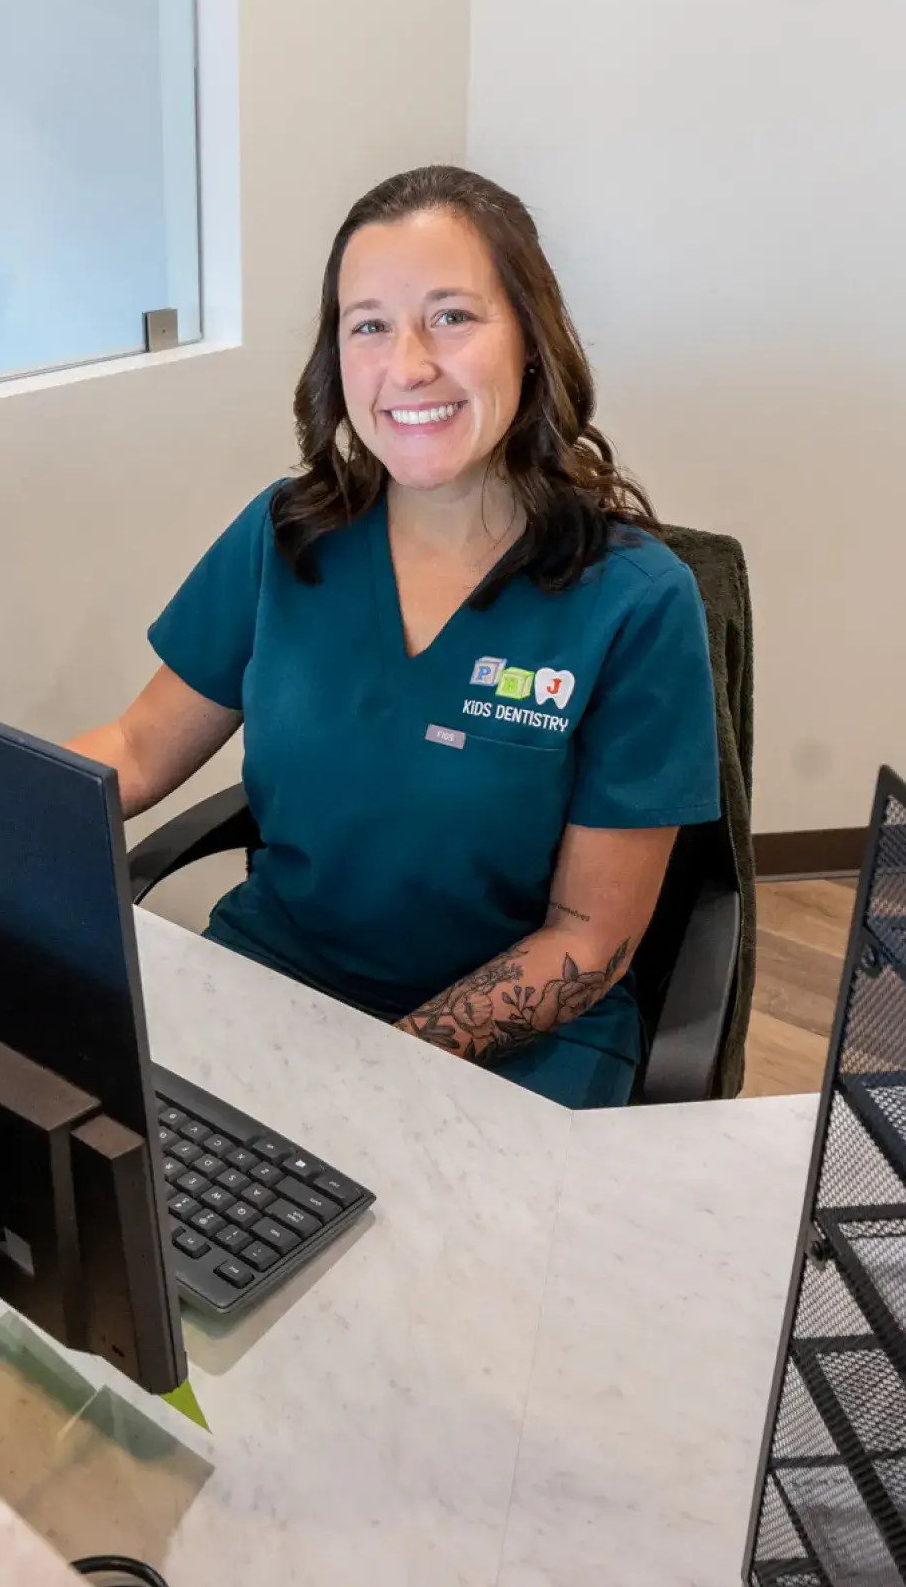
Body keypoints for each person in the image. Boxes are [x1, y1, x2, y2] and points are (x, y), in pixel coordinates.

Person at [73, 166, 719, 1108]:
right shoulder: (288, 536)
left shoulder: (635, 600)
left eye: (451, 316)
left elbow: (590, 939)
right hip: (272, 982)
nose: (408, 366)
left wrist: (379, 1068)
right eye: (368, 325)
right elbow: (135, 747)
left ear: (531, 342)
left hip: (519, 1052)